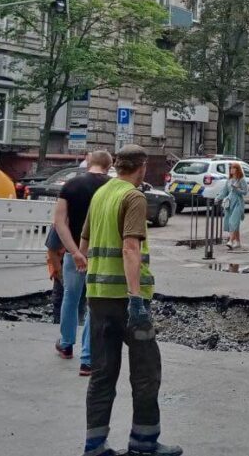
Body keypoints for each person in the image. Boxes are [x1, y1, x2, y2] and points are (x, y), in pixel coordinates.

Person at [80, 144, 182, 456]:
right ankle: (143, 443)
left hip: (98, 299)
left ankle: (94, 446)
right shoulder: (132, 196)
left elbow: (83, 247)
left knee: (102, 374)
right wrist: (135, 299)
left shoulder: (101, 194)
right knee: (146, 372)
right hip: (126, 301)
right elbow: (130, 248)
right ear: (141, 166)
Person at [54, 149, 112, 375]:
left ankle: (66, 344)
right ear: (110, 164)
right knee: (94, 303)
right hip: (101, 254)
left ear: (88, 162)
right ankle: (88, 359)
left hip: (73, 253)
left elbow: (59, 223)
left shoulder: (70, 186)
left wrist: (76, 252)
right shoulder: (111, 188)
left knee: (71, 297)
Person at [218, 163, 248, 250]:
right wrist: (217, 198)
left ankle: (230, 241)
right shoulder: (229, 180)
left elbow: (245, 192)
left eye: (234, 168)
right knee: (235, 224)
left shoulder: (241, 180)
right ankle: (238, 242)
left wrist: (237, 189)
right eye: (231, 168)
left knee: (233, 222)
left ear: (237, 170)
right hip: (229, 204)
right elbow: (224, 192)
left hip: (238, 203)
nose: (232, 170)